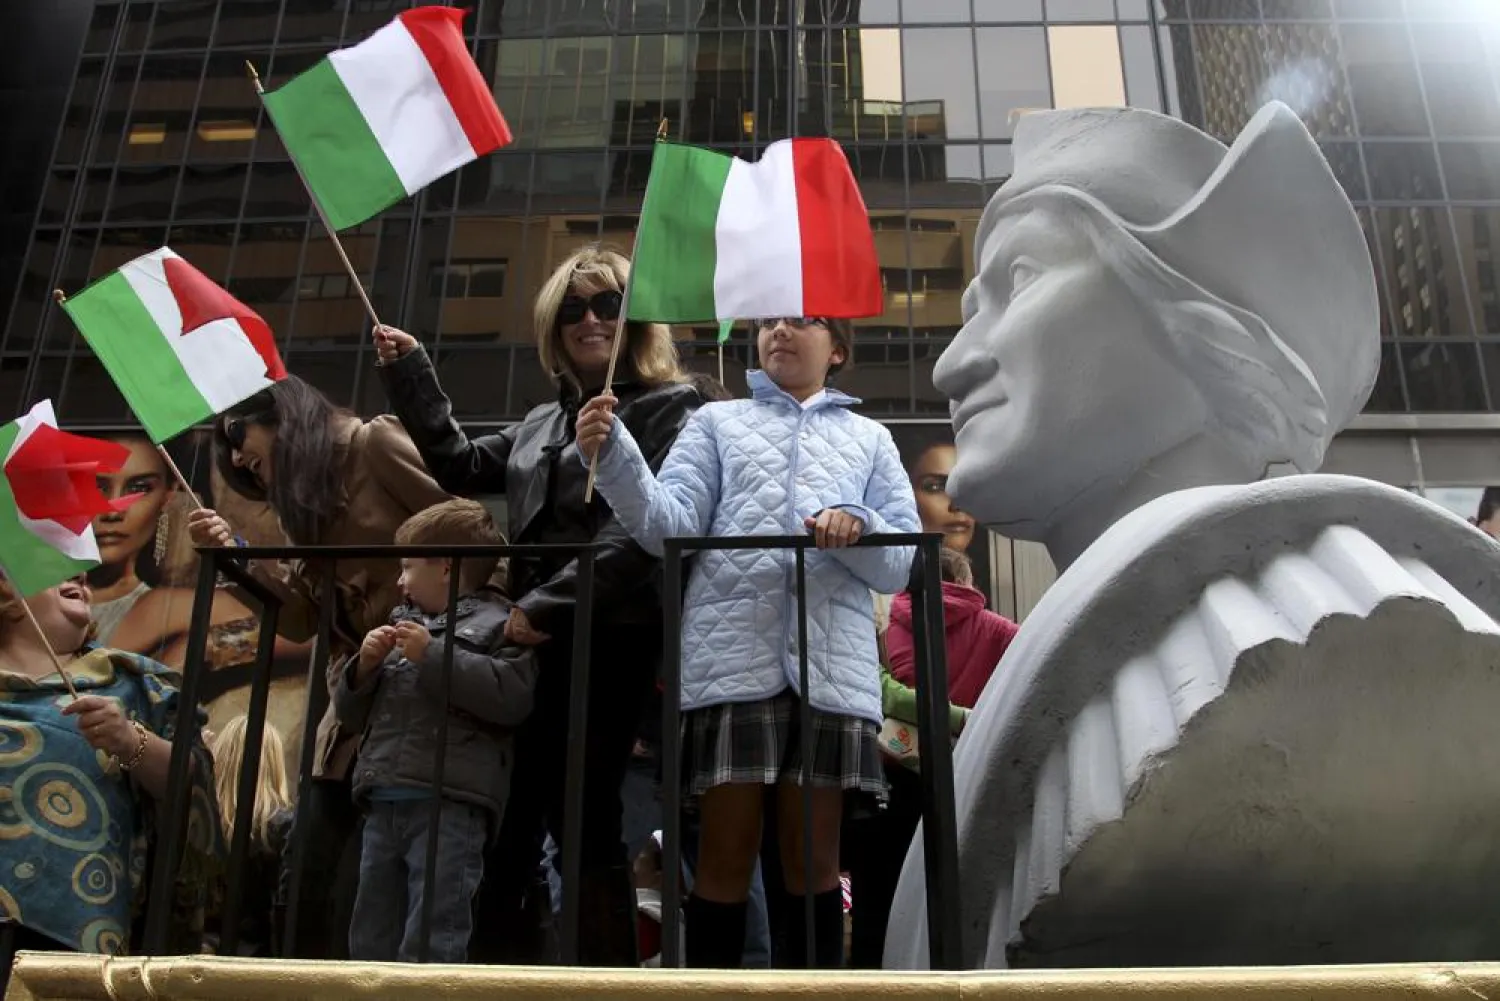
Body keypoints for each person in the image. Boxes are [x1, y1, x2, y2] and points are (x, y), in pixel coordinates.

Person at [372, 244, 713, 965]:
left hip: (610, 631)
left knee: (584, 810)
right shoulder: (537, 422)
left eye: (607, 305)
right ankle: (505, 970)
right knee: (515, 807)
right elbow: (460, 464)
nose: (589, 320)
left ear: (635, 319)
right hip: (529, 637)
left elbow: (643, 534)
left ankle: (603, 978)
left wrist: (547, 606)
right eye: (572, 309)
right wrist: (412, 371)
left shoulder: (674, 409)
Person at [575, 315, 920, 968]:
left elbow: (899, 562)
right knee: (724, 855)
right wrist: (615, 449)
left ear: (838, 348)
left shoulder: (870, 439)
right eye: (769, 322)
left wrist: (862, 524)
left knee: (813, 860)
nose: (781, 330)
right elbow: (666, 525)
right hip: (731, 666)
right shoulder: (716, 423)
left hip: (829, 672)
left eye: (805, 321)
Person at [185, 373, 452, 960]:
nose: (236, 457)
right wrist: (236, 556)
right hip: (353, 706)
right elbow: (303, 620)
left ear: (284, 414)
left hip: (426, 686)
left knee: (406, 883)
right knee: (306, 873)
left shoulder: (373, 444)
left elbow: (470, 534)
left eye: (238, 432)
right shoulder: (298, 511)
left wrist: (468, 640)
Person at [334, 499, 537, 963]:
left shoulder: (501, 624)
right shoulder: (399, 624)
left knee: (432, 936)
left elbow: (511, 696)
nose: (400, 580)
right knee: (370, 936)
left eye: (408, 566)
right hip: (384, 797)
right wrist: (361, 668)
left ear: (446, 567)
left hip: (450, 802)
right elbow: (353, 715)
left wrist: (435, 656)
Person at [0, 575, 221, 956]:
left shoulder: (131, 685)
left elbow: (191, 784)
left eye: (82, 573)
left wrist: (130, 740)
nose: (79, 575)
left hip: (69, 934)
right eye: (51, 567)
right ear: (6, 591)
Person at [846, 546, 1015, 968]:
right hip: (962, 771)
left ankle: (874, 979)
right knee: (950, 888)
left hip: (894, 772)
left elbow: (880, 689)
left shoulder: (892, 626)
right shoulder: (995, 629)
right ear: (965, 582)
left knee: (879, 888)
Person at [207, 714, 294, 956]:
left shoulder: (199, 819)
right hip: (254, 964)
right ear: (274, 764)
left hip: (192, 955)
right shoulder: (281, 827)